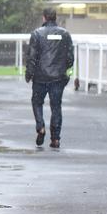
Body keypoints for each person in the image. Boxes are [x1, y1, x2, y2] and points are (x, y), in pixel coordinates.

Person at [26, 8, 74, 149]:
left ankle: (40, 127)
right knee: (56, 107)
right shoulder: (65, 34)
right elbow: (70, 58)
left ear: (44, 18)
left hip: (40, 77)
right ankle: (55, 139)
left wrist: (29, 74)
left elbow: (32, 57)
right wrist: (66, 75)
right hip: (58, 77)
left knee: (37, 102)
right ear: (55, 17)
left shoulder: (36, 34)